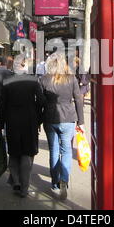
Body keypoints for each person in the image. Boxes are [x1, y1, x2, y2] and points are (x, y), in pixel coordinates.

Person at [39, 52, 85, 200]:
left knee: (53, 150)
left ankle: (54, 182)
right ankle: (64, 179)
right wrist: (81, 122)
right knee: (66, 151)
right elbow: (79, 99)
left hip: (50, 118)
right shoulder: (71, 79)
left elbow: (39, 102)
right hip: (68, 118)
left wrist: (39, 120)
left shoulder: (43, 79)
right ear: (64, 64)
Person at [0, 59, 45, 198]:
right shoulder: (33, 81)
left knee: (14, 152)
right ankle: (24, 188)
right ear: (25, 67)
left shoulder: (7, 82)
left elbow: (3, 105)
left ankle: (16, 181)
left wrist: (0, 124)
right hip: (29, 122)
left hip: (12, 121)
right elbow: (42, 101)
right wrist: (38, 118)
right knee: (27, 153)